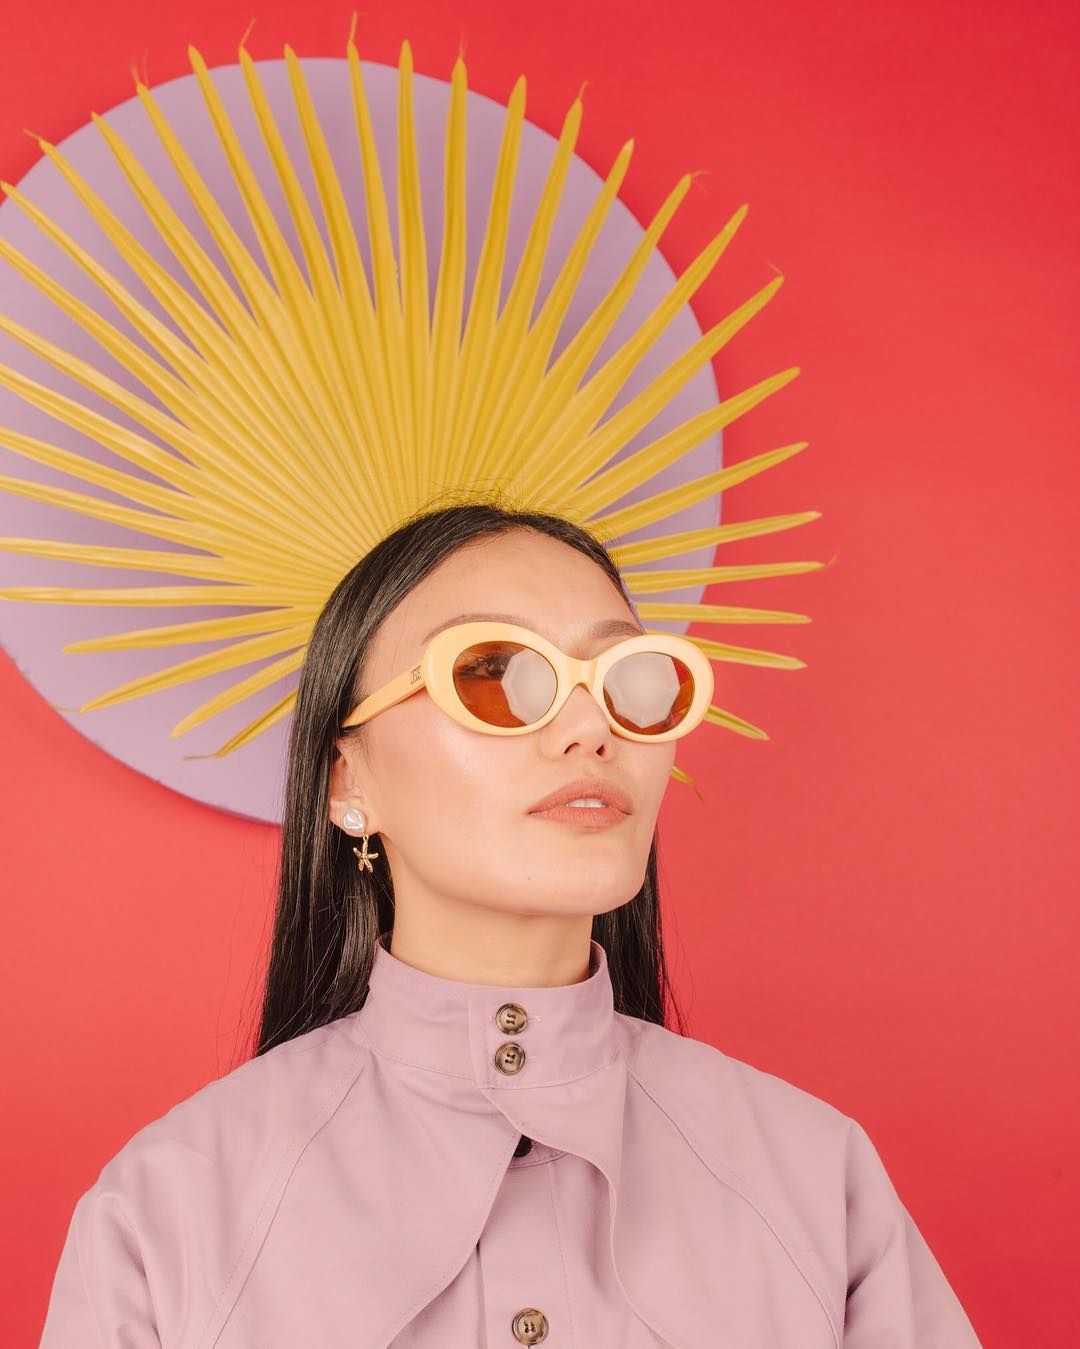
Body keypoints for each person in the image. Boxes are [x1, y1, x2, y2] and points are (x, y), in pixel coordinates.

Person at [38, 502, 984, 1347]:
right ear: (346, 782)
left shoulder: (816, 1178)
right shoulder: (167, 1215)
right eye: (494, 674)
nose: (590, 730)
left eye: (628, 678)